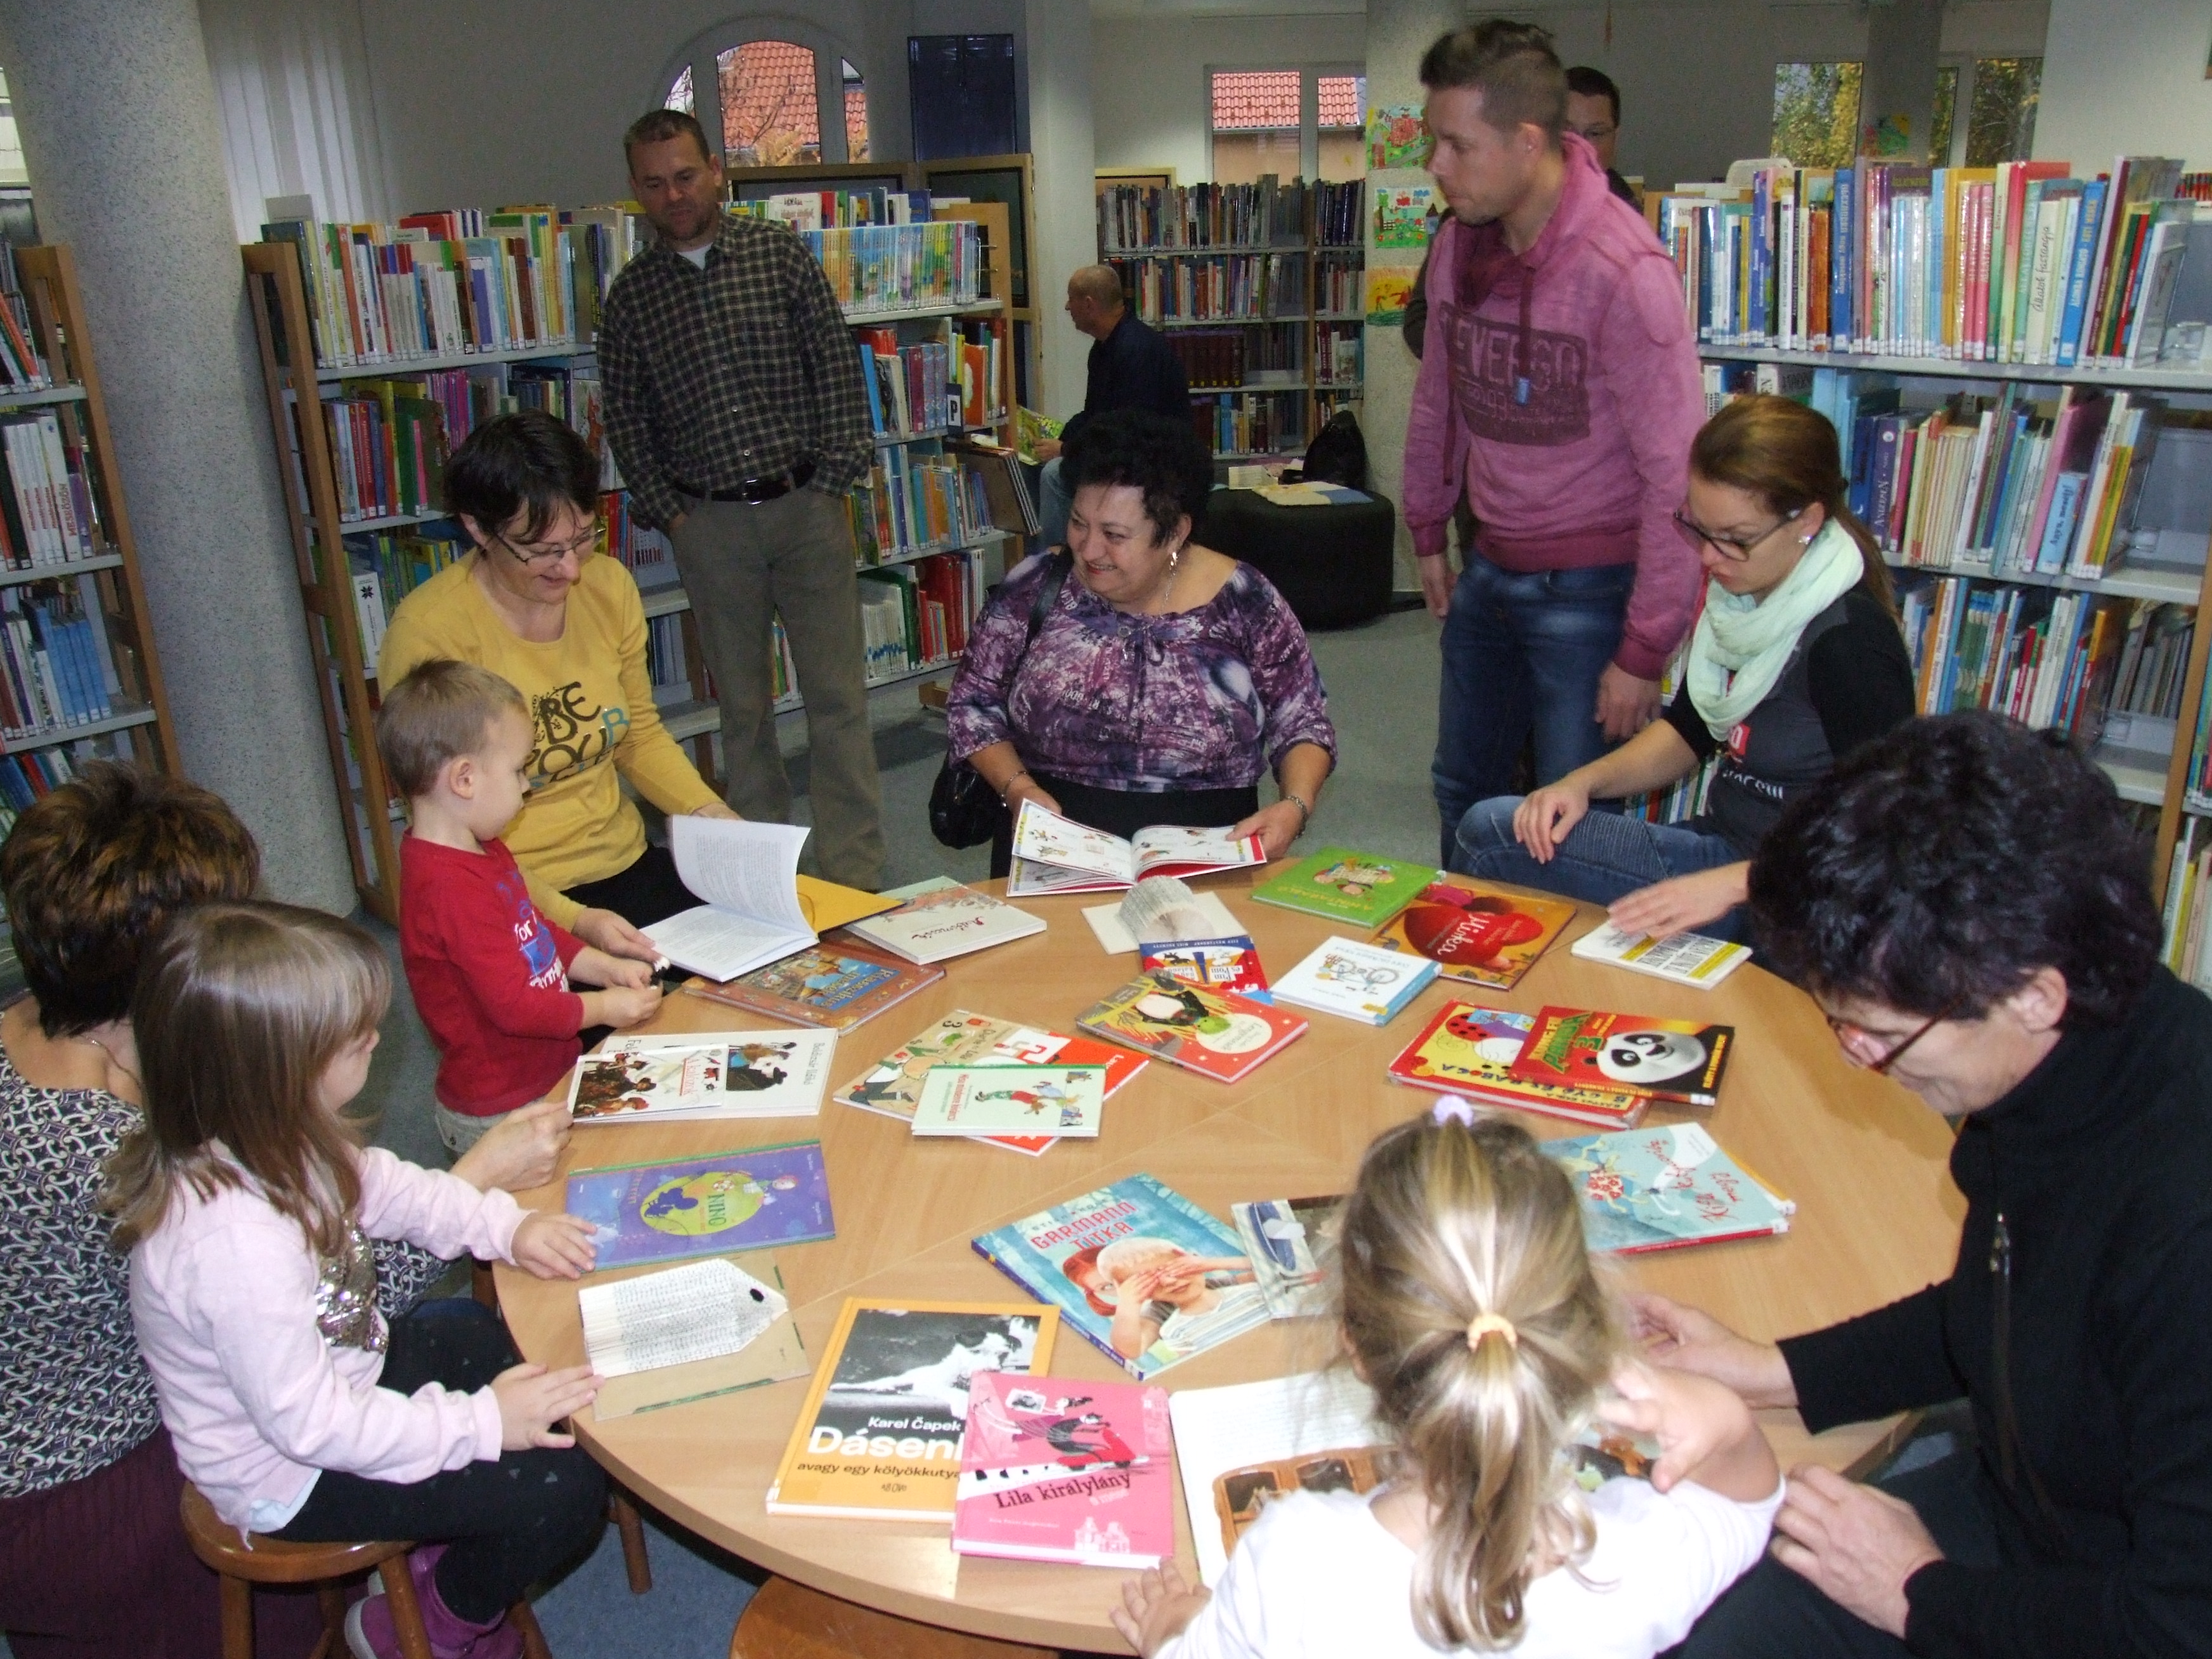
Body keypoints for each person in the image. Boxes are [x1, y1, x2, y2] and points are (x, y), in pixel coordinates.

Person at [1639, 712, 2212, 1659]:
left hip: (2116, 1608)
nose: (1855, 1059)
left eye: (1877, 1033)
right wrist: (1772, 1369)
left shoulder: (2184, 1227)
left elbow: (2181, 1624)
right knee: (1693, 1610)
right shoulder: (2061, 1063)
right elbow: (2011, 1303)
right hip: (2029, 1518)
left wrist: (1917, 1594)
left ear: (2032, 994)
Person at [0, 764, 567, 1659]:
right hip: (91, 1484)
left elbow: (335, 1223)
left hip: (240, 1383)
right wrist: (480, 1176)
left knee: (464, 1374)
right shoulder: (135, 1159)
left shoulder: (50, 1026)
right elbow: (324, 1299)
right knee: (426, 1508)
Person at [114, 902, 608, 1659]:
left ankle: (437, 1549)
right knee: (563, 1491)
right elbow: (313, 1427)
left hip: (342, 1380)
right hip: (291, 1472)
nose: (376, 1038)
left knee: (478, 1334)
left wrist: (505, 1227)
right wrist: (480, 1424)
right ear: (279, 1073)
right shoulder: (230, 1245)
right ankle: (428, 1624)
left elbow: (393, 1190)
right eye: (353, 1037)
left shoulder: (272, 1132)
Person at [1110, 1103, 1783, 1658]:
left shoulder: (1296, 1560)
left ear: (1356, 1347)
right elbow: (1750, 1506)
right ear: (1584, 1335)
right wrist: (1724, 1415)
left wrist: (1173, 1629)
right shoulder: (1634, 1561)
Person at [1450, 396, 1915, 942]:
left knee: (1490, 837)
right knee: (1530, 834)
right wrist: (1580, 783)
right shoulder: (1742, 601)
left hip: (1794, 894)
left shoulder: (1850, 643)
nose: (1709, 558)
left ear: (1807, 521)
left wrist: (1736, 884)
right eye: (1699, 529)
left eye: (1735, 539)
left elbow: (1891, 834)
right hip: (1720, 852)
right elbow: (1689, 731)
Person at [1405, 20, 1704, 866]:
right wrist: (1426, 524)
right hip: (1489, 565)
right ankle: (1462, 944)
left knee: (1567, 827)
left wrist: (1644, 648)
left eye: (1458, 146)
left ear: (1527, 142)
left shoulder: (1624, 270)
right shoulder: (1458, 244)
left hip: (1592, 587)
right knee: (1462, 791)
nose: (1436, 165)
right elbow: (1439, 397)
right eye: (1434, 141)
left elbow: (1675, 475)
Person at [599, 107, 885, 892]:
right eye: (654, 183)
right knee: (744, 712)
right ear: (635, 191)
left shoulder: (777, 254)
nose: (674, 194)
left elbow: (835, 369)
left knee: (836, 701)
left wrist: (832, 483)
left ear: (717, 171)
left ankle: (854, 872)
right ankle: (763, 880)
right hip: (709, 524)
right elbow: (626, 418)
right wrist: (672, 513)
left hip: (805, 509)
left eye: (685, 175)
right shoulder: (631, 298)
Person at [380, 408, 739, 953]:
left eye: (582, 538)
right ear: (479, 529)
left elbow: (638, 735)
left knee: (753, 973)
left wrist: (706, 811)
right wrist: (576, 921)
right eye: (544, 551)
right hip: (506, 892)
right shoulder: (431, 634)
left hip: (622, 861)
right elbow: (448, 832)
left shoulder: (608, 586)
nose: (570, 569)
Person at [946, 410, 1335, 877]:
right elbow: (973, 701)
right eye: (1078, 523)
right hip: (1053, 841)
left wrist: (1295, 805)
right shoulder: (1036, 585)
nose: (1089, 550)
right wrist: (1017, 789)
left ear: (1175, 533)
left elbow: (1303, 719)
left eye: (1114, 535)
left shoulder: (1245, 600)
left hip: (1210, 848)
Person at [377, 658, 663, 1156]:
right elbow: (516, 1008)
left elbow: (534, 929)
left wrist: (602, 967)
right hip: (501, 1107)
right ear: (465, 779)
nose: (527, 785)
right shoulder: (449, 889)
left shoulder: (481, 846)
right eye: (517, 771)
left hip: (542, 1075)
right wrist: (604, 1007)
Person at [1032, 264, 1192, 549]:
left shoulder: (1136, 351)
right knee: (1036, 464)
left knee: (1054, 475)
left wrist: (1067, 450)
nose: (1068, 307)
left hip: (1153, 462)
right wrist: (1062, 437)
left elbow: (1130, 431)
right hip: (1126, 451)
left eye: (1071, 299)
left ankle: (1057, 559)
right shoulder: (1105, 347)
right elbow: (1096, 415)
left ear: (1089, 304)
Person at [1566, 66, 1640, 206]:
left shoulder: (1627, 210)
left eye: (1595, 134)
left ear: (1615, 139)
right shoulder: (1523, 207)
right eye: (1568, 132)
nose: (1580, 147)